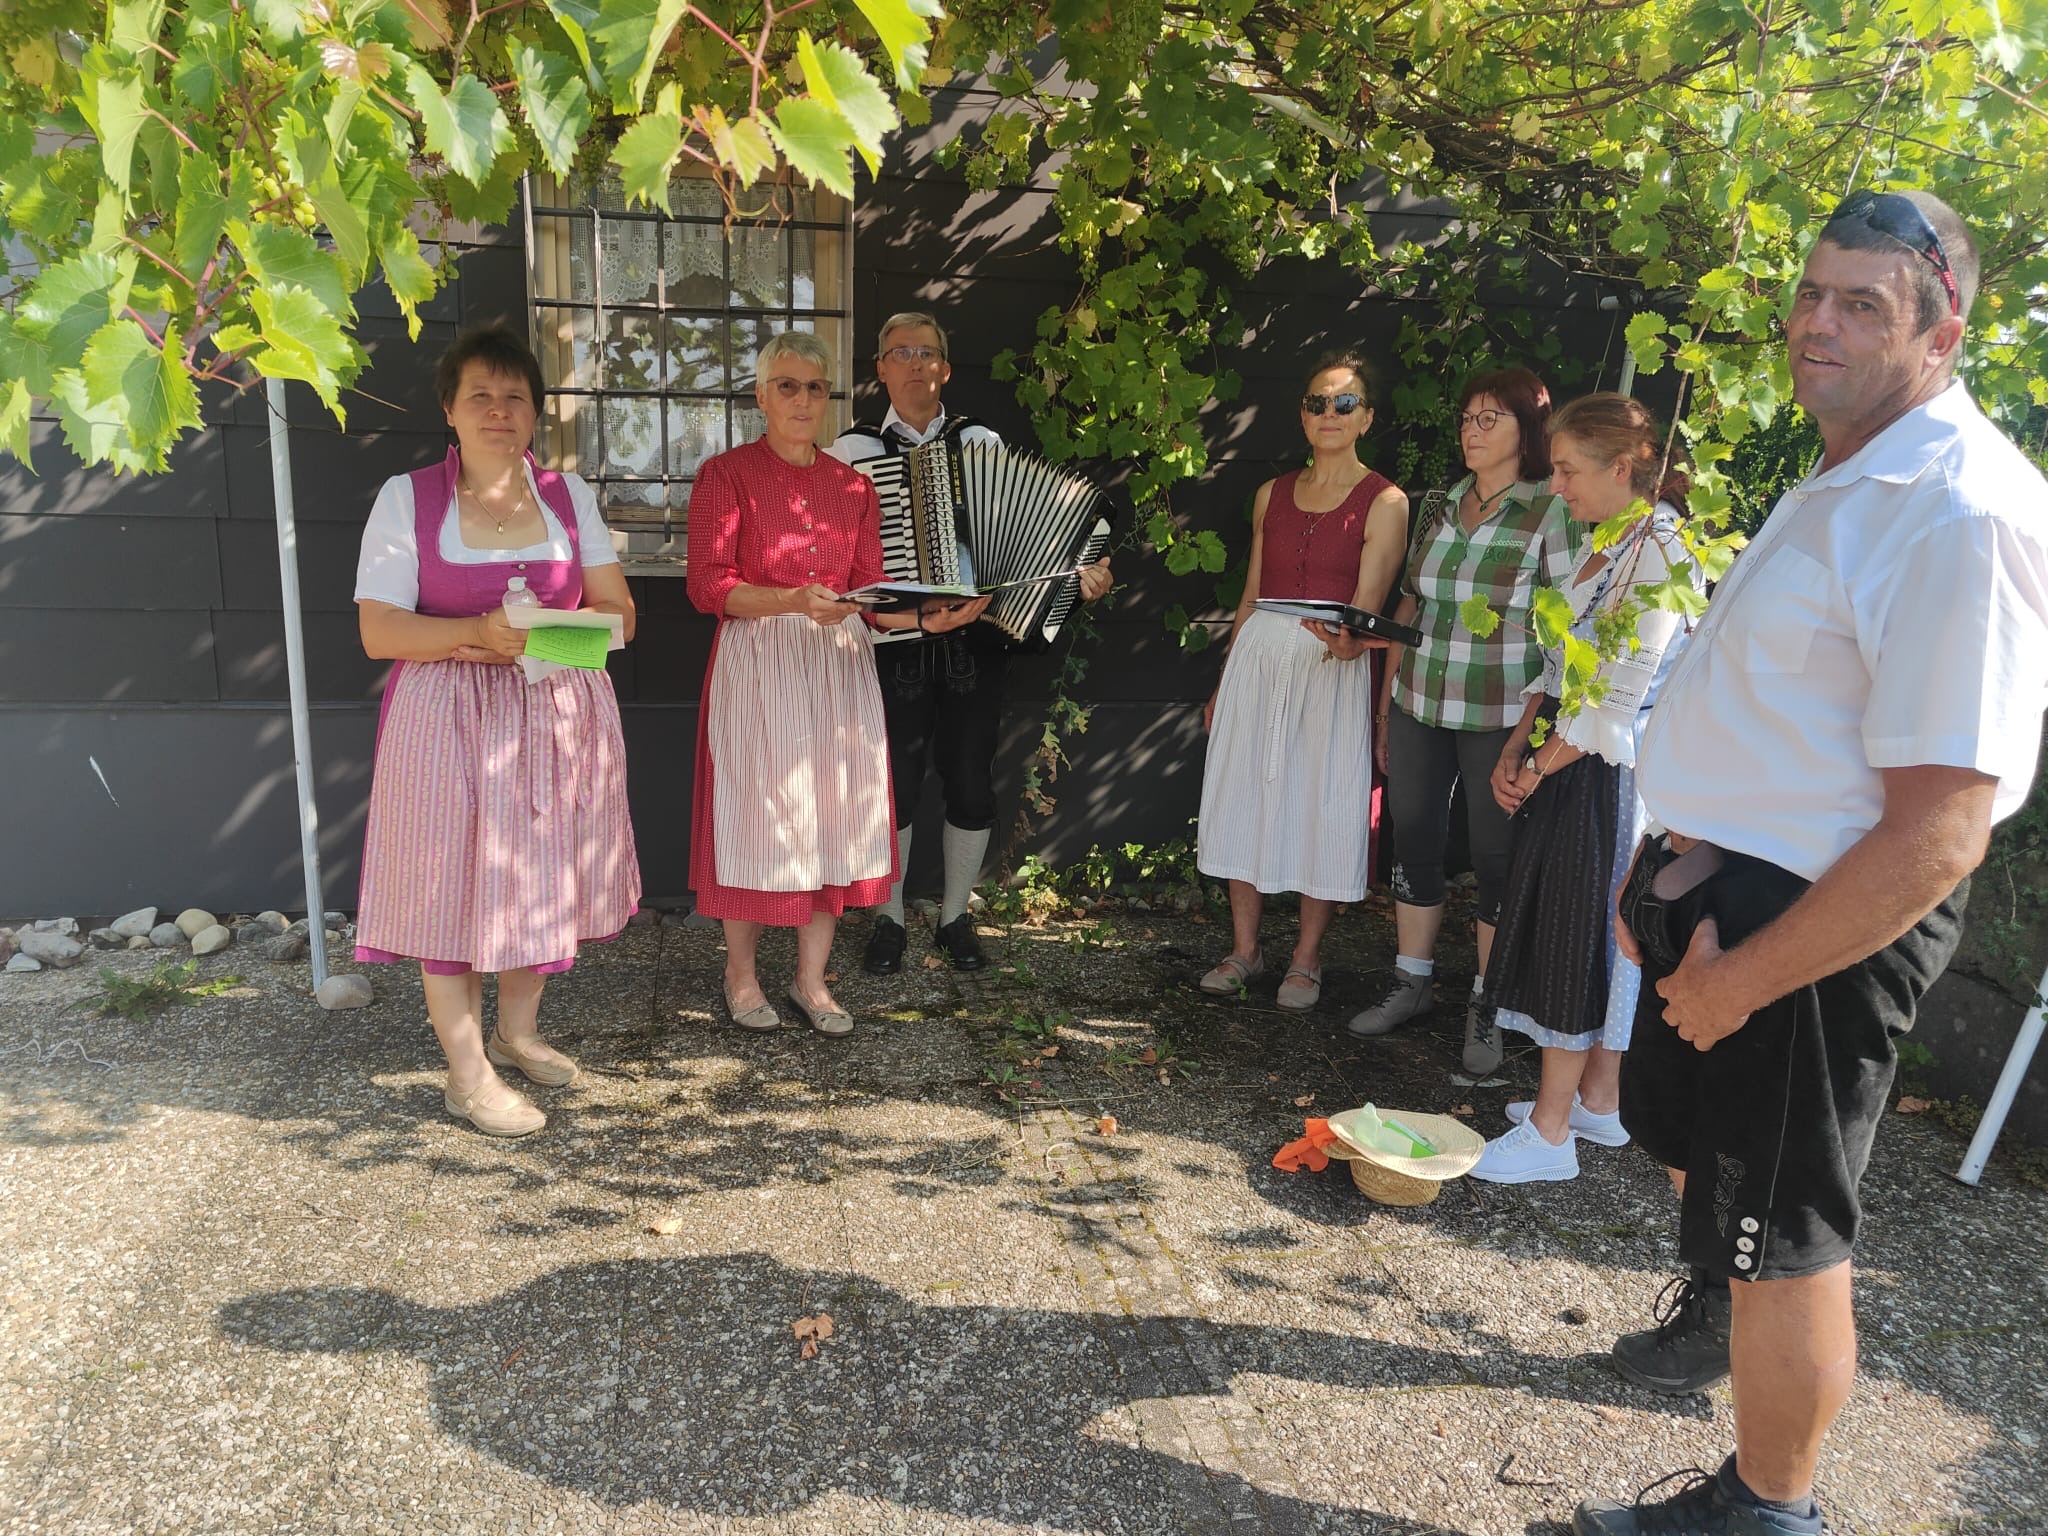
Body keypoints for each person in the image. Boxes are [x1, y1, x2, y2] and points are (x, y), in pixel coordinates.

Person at [1575, 191, 2048, 1535]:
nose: (1817, 323)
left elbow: (1940, 829)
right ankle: (1720, 1327)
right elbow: (1788, 721)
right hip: (1728, 889)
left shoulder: (1957, 511)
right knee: (1689, 1149)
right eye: (1809, 293)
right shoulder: (1850, 470)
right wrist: (1666, 864)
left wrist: (1748, 975)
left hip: (1814, 929)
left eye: (1862, 305)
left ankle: (1767, 1509)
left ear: (1941, 332)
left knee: (1779, 1236)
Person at [354, 325, 641, 1138]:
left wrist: (542, 638)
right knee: (448, 885)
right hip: (443, 717)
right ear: (449, 409)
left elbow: (619, 621)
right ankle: (466, 1073)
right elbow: (379, 631)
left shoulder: (566, 496)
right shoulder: (407, 498)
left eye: (515, 396)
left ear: (535, 414)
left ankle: (516, 1033)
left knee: (535, 877)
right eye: (479, 394)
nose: (498, 410)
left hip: (550, 714)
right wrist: (477, 633)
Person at [687, 331, 984, 1038]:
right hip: (760, 664)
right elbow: (708, 586)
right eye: (786, 386)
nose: (802, 399)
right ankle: (741, 975)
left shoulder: (852, 486)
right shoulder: (725, 475)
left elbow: (869, 595)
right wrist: (791, 600)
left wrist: (928, 619)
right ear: (761, 397)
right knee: (754, 815)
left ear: (828, 399)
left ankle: (811, 979)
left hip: (839, 667)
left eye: (815, 388)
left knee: (832, 814)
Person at [825, 312, 1112, 977]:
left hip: (974, 641)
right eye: (901, 352)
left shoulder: (979, 441)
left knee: (971, 779)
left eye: (927, 353)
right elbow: (837, 556)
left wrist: (1082, 575)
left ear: (946, 369)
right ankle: (890, 917)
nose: (916, 363)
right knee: (892, 784)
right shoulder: (851, 451)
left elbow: (1028, 532)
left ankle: (955, 915)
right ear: (881, 369)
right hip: (892, 640)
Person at [1468, 394, 1699, 1183]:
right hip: (1568, 758)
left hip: (1610, 776)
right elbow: (1560, 664)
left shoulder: (1662, 550)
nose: (1557, 485)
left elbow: (1615, 700)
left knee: (1581, 940)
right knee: (1580, 932)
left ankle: (1551, 1132)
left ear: (1622, 467)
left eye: (1568, 470)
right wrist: (1518, 743)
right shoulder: (1612, 539)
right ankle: (1599, 1100)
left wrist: (1539, 766)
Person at [1351, 367, 1581, 1076]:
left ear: (1526, 429)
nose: (1471, 432)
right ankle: (1412, 981)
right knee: (1413, 836)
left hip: (1502, 715)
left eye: (1490, 419)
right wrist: (1388, 706)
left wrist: (1534, 730)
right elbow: (1412, 605)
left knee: (1495, 856)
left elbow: (1567, 627)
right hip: (1420, 702)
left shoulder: (1552, 510)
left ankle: (1490, 1001)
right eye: (1466, 419)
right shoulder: (1442, 504)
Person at [1194, 352, 1409, 1008]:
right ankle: (1245, 949)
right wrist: (1224, 679)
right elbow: (1251, 594)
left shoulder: (1386, 501)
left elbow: (1365, 609)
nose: (1329, 414)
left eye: (1344, 403)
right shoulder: (1272, 493)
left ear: (1366, 418)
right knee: (1242, 795)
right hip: (1259, 659)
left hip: (1329, 664)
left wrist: (1347, 646)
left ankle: (1307, 957)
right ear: (1303, 415)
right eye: (1318, 402)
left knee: (1324, 799)